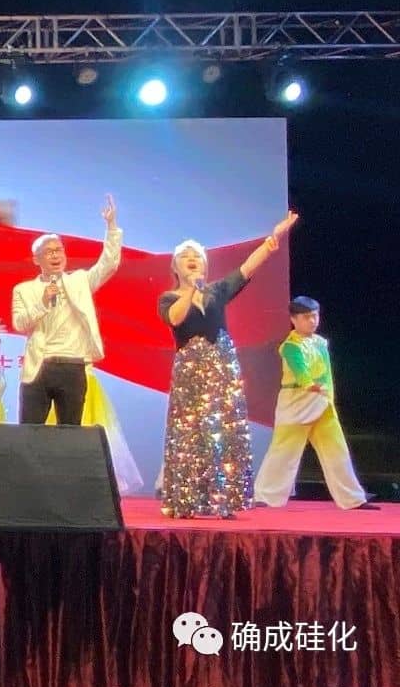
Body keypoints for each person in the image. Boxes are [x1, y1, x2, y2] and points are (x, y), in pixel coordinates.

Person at [158, 211, 298, 519]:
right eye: (185, 256)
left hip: (221, 369)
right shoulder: (168, 298)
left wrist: (274, 237)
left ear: (205, 264)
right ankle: (186, 499)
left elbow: (247, 268)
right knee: (191, 434)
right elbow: (176, 319)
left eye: (197, 256)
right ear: (175, 266)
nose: (192, 259)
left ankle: (223, 499)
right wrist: (191, 288)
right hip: (190, 374)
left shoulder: (218, 291)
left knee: (223, 431)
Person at [253, 297, 377, 511]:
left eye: (315, 316)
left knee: (337, 451)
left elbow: (327, 374)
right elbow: (300, 369)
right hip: (296, 404)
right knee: (283, 451)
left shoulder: (320, 342)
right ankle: (265, 495)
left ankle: (353, 498)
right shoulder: (290, 346)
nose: (312, 321)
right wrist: (310, 384)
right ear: (294, 319)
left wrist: (327, 396)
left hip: (321, 404)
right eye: (306, 317)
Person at [11, 195, 121, 426]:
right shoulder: (24, 290)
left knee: (70, 434)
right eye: (49, 252)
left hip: (73, 366)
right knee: (29, 433)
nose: (55, 255)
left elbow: (109, 264)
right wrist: (42, 302)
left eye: (59, 250)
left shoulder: (80, 281)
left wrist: (111, 226)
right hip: (38, 367)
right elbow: (20, 324)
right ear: (36, 259)